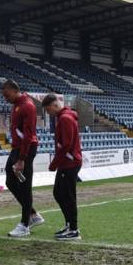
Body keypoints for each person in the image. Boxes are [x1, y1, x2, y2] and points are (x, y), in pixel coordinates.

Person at [1, 79, 44, 238]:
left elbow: (28, 134)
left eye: (6, 95)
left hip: (25, 149)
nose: (5, 99)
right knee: (10, 181)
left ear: (13, 89)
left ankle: (25, 224)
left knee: (24, 185)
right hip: (16, 148)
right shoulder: (17, 105)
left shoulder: (27, 106)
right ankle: (33, 214)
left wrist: (22, 159)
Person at [41, 94, 82, 241]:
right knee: (59, 193)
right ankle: (69, 224)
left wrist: (54, 163)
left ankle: (74, 229)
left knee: (67, 196)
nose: (48, 113)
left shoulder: (65, 119)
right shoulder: (64, 117)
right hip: (68, 162)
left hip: (69, 163)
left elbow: (66, 144)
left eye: (48, 109)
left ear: (54, 105)